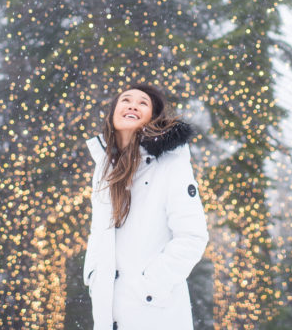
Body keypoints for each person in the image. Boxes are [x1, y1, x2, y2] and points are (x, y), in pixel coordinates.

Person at [83, 83, 209, 330]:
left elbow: (193, 236)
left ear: (152, 117)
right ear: (112, 115)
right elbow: (98, 235)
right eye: (125, 100)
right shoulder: (103, 169)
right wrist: (94, 277)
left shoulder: (171, 163)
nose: (132, 104)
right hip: (108, 316)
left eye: (143, 103)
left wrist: (150, 287)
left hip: (155, 313)